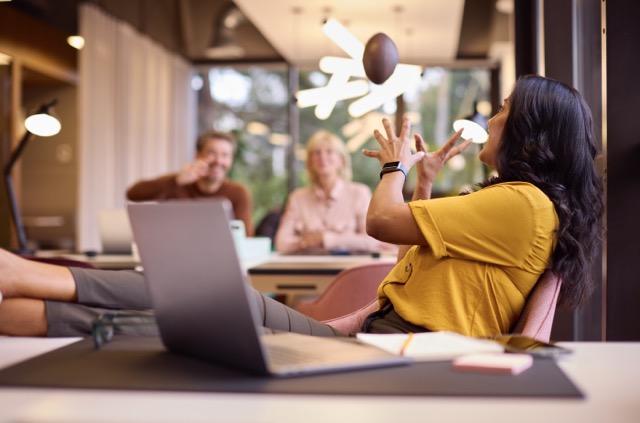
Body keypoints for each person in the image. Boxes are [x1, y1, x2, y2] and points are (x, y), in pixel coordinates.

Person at [0, 75, 602, 338]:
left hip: (388, 350)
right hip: (373, 336)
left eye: (501, 109)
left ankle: (23, 280)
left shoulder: (523, 206)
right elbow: (413, 263)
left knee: (205, 299)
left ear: (528, 132)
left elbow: (379, 223)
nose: (490, 117)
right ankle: (23, 307)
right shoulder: (520, 206)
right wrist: (423, 185)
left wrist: (394, 166)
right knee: (194, 306)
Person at [275, 130, 393, 254]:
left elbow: (370, 241)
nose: (322, 157)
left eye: (329, 152)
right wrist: (306, 242)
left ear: (342, 160)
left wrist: (324, 239)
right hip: (307, 269)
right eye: (316, 153)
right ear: (310, 162)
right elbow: (282, 243)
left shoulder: (359, 193)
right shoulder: (297, 197)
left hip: (348, 268)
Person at [126, 130, 254, 236]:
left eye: (225, 155)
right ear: (198, 155)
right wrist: (175, 181)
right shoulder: (176, 182)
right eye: (212, 153)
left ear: (231, 160)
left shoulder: (238, 192)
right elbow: (133, 194)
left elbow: (247, 237)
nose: (219, 161)